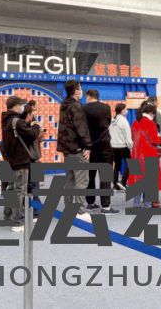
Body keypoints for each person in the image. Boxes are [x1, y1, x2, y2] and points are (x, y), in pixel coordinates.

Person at [0, 96, 40, 232]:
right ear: (15, 106)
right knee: (20, 191)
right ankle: (18, 221)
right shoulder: (17, 122)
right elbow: (32, 134)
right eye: (21, 105)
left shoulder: (6, 119)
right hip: (20, 160)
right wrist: (36, 125)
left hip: (11, 160)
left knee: (12, 189)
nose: (22, 107)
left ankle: (9, 215)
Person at [57, 80, 92, 222]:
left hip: (67, 149)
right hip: (78, 149)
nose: (81, 90)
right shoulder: (76, 106)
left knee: (70, 180)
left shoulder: (64, 105)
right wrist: (88, 146)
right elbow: (81, 129)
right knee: (81, 181)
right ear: (76, 90)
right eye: (80, 88)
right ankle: (81, 211)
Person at [83, 89, 119, 214]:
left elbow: (83, 127)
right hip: (104, 145)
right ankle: (106, 206)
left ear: (88, 96)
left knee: (90, 176)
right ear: (97, 96)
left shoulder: (83, 108)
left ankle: (90, 203)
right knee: (105, 176)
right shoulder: (106, 107)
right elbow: (107, 123)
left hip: (89, 146)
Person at [129, 103, 161, 208]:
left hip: (136, 154)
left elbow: (132, 137)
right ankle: (147, 204)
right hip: (149, 153)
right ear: (151, 113)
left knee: (137, 179)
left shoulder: (135, 123)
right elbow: (154, 139)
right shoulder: (151, 123)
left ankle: (136, 204)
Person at [110, 103, 133, 191]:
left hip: (113, 146)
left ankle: (115, 185)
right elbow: (127, 137)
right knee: (132, 164)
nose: (127, 110)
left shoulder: (112, 121)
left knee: (117, 165)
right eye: (125, 109)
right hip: (123, 146)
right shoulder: (124, 121)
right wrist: (131, 147)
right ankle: (123, 182)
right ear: (122, 110)